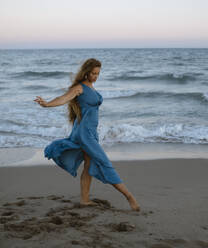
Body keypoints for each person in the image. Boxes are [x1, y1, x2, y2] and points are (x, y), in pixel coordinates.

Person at [34, 58, 140, 211]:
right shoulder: (79, 88)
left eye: (98, 74)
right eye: (93, 73)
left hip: (90, 132)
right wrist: (47, 104)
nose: (95, 76)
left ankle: (84, 200)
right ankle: (130, 197)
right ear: (86, 72)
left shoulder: (91, 87)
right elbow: (63, 98)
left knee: (89, 165)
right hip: (84, 134)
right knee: (104, 163)